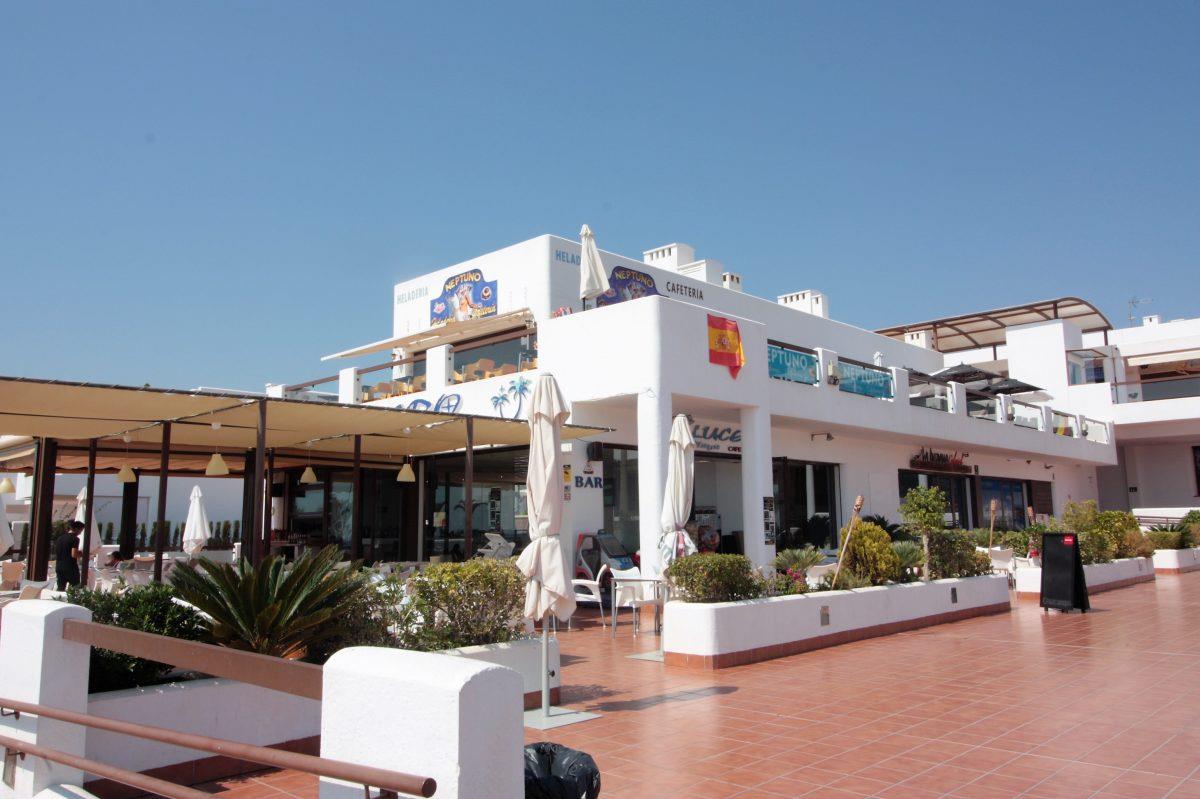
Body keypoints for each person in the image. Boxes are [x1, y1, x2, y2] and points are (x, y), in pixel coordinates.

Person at [55, 520, 83, 590]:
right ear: (76, 529)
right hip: (70, 567)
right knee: (76, 588)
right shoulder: (75, 539)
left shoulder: (60, 538)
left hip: (59, 566)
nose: (80, 533)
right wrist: (82, 554)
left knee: (60, 588)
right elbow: (74, 554)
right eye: (81, 530)